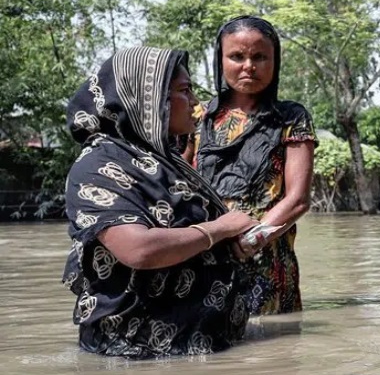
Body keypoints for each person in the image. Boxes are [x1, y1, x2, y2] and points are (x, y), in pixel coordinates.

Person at [62, 47, 258, 358]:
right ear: (148, 99)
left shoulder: (163, 161)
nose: (194, 103)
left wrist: (233, 243)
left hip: (199, 349)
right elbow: (138, 249)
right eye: (184, 91)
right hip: (140, 357)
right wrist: (218, 229)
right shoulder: (98, 166)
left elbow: (188, 234)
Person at [192, 16, 317, 316]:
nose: (249, 66)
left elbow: (298, 200)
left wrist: (252, 239)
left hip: (266, 254)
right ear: (220, 60)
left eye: (260, 57)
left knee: (271, 352)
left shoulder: (291, 118)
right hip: (205, 253)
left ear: (275, 62)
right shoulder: (199, 117)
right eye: (237, 56)